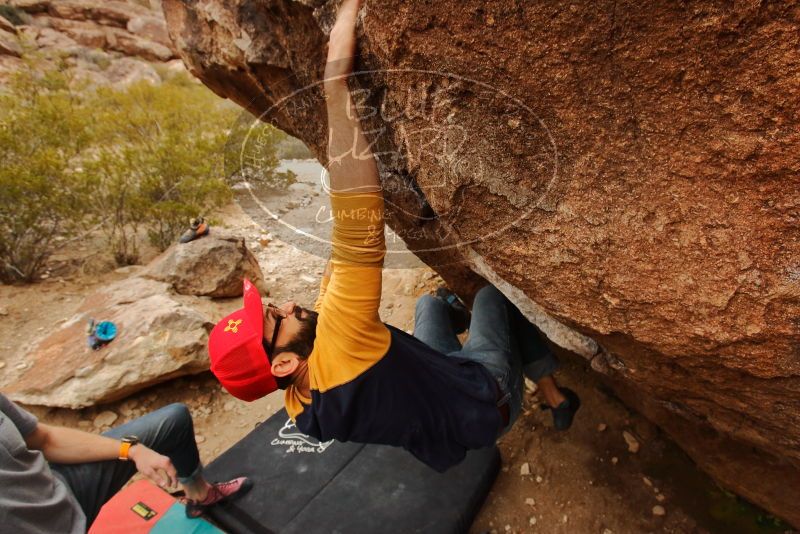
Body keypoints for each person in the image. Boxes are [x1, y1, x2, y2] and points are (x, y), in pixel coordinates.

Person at [207, 0, 579, 473]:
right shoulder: (340, 345)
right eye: (273, 318)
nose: (282, 306)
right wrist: (334, 88)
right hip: (488, 401)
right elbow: (359, 228)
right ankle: (550, 390)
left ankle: (467, 335)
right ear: (281, 363)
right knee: (490, 294)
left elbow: (338, 268)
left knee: (429, 305)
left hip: (439, 413)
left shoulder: (301, 407)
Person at [0, 394, 250, 533]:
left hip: (60, 490)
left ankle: (199, 496)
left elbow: (44, 439)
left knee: (173, 421)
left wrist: (130, 450)